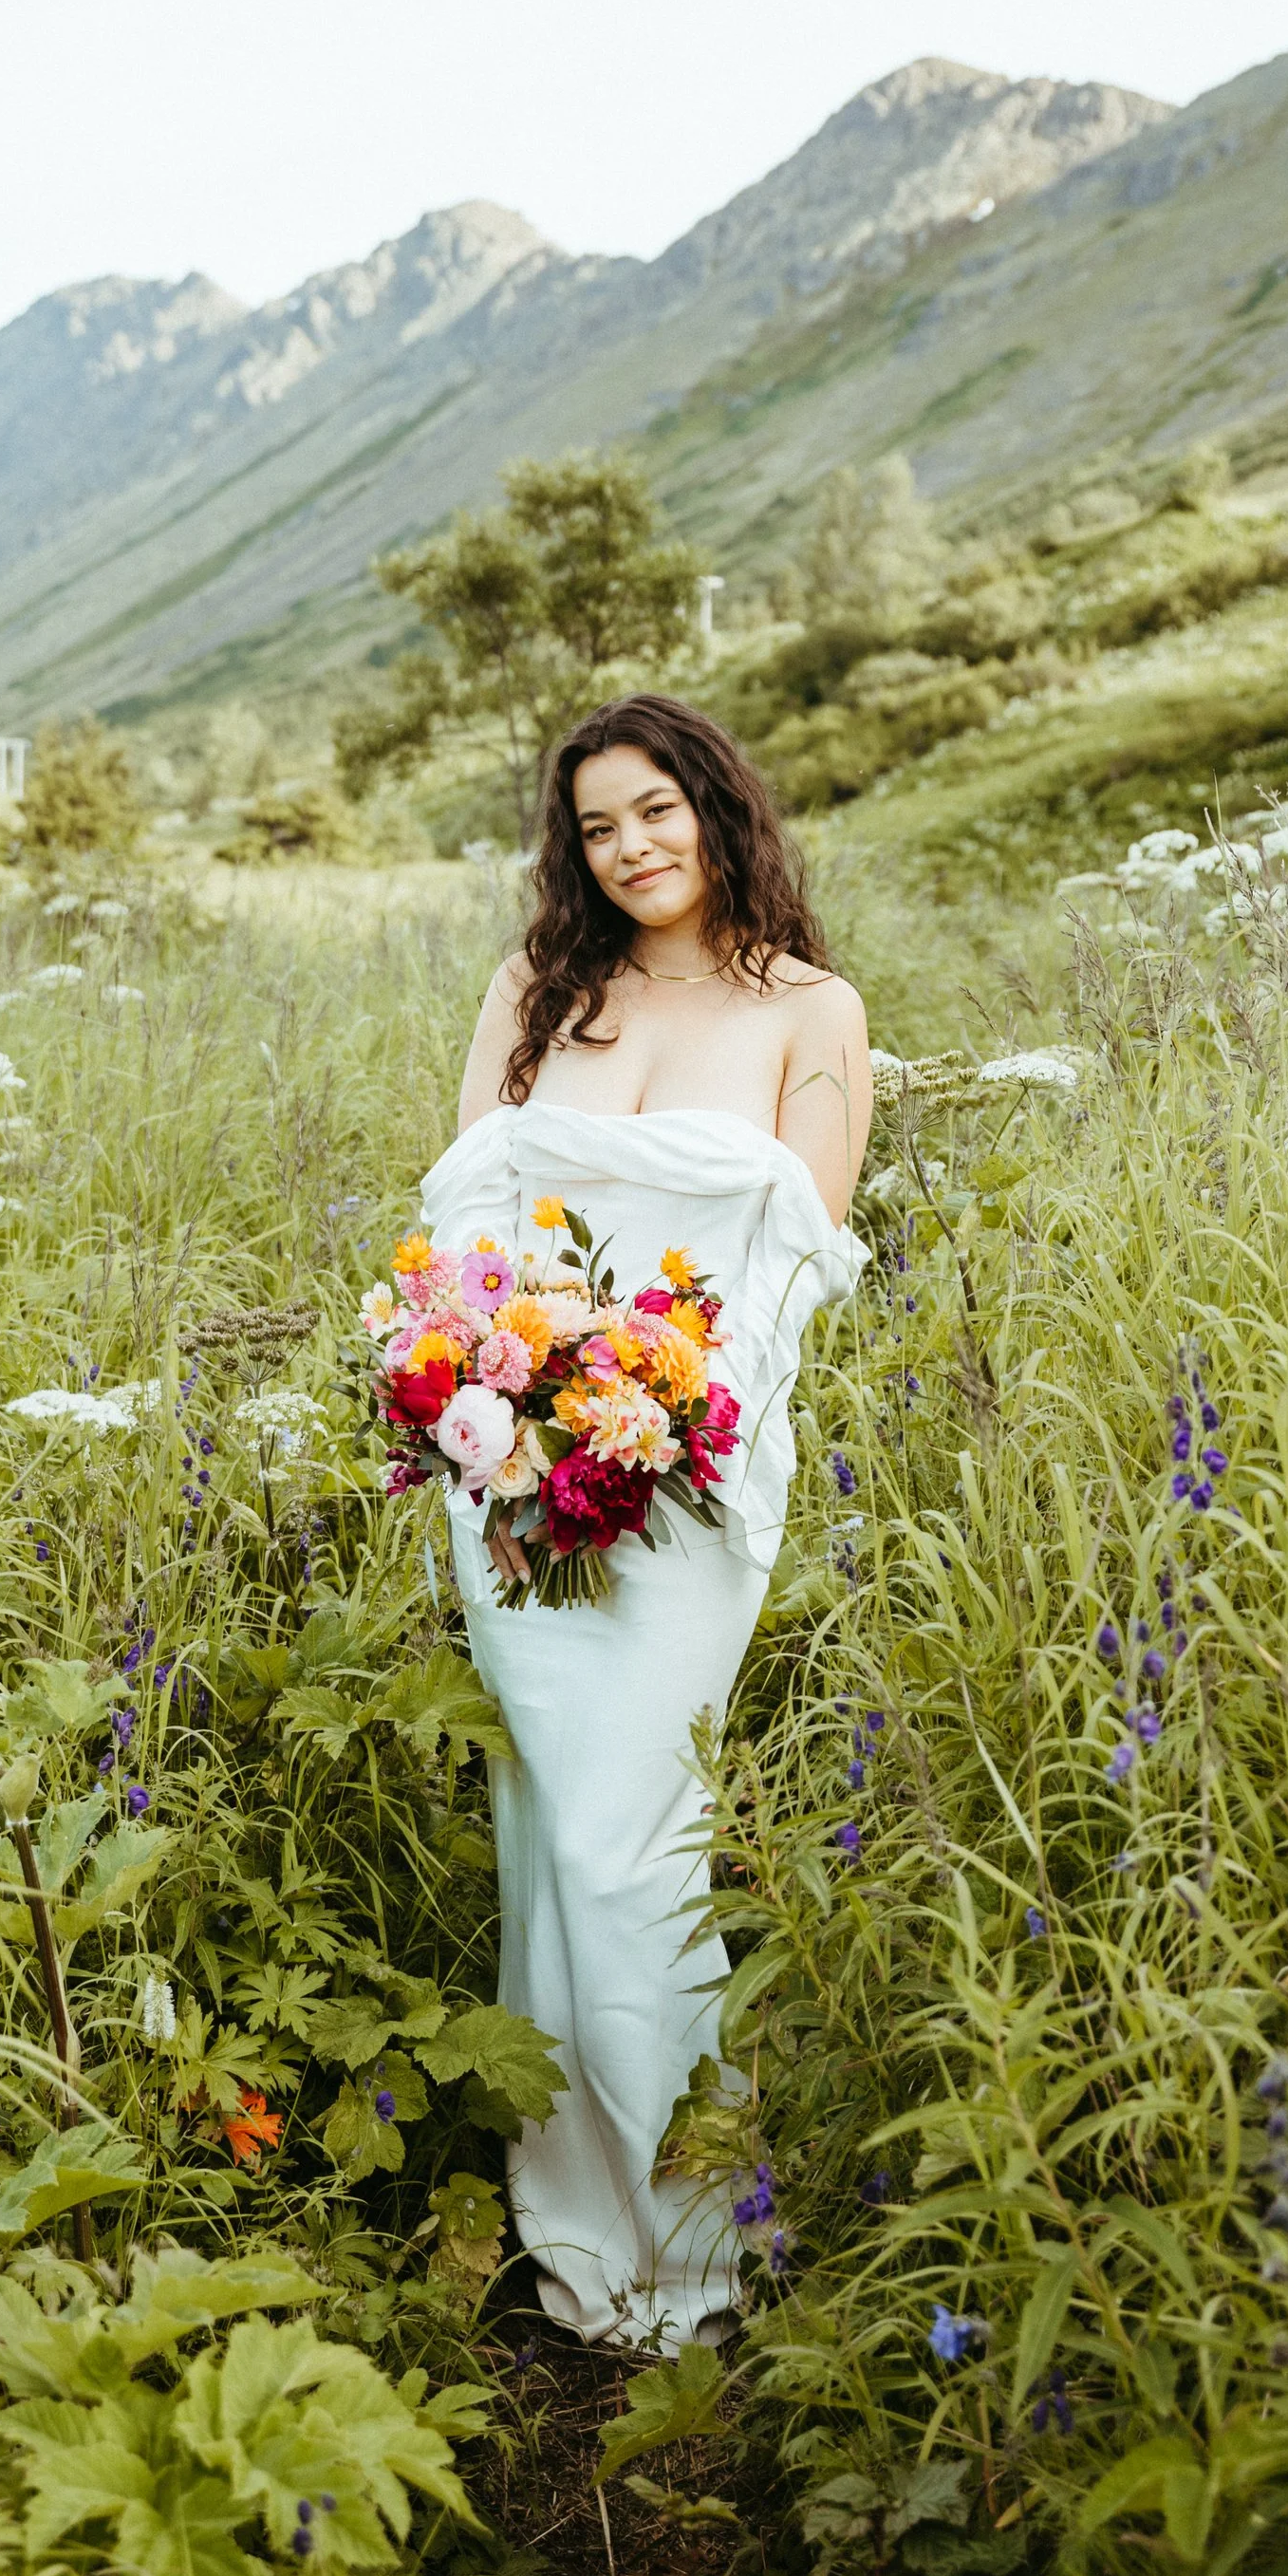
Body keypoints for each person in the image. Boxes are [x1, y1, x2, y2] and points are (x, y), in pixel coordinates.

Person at [419, 692, 871, 2353]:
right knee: (545, 1842)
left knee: (634, 1841)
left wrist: (650, 1417)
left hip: (687, 1475)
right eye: (600, 826)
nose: (633, 846)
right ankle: (572, 2229)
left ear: (717, 805)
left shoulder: (815, 1012)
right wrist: (501, 1409)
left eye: (657, 809)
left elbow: (794, 1267)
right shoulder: (541, 995)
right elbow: (466, 1227)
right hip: (511, 1478)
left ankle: (702, 2233)